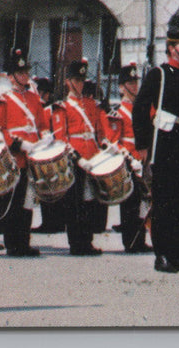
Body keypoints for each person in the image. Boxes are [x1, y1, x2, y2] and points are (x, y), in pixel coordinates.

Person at [133, 25, 179, 273]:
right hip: (164, 143)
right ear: (171, 48)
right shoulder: (159, 75)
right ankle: (162, 254)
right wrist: (142, 144)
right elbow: (140, 109)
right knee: (164, 201)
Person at [49, 58, 111, 256]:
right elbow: (61, 138)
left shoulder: (90, 104)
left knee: (89, 201)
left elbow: (99, 131)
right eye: (76, 80)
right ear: (68, 81)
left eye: (82, 80)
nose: (80, 84)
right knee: (74, 202)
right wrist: (76, 157)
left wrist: (104, 146)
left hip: (91, 157)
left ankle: (88, 240)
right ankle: (76, 243)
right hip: (75, 159)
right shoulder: (62, 107)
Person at [0, 48, 44, 257]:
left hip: (33, 154)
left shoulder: (33, 97)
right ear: (11, 76)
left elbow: (41, 124)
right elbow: (0, 129)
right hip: (15, 155)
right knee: (14, 201)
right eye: (20, 73)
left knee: (28, 200)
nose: (25, 76)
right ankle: (13, 244)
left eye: (26, 72)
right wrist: (19, 145)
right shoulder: (3, 99)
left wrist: (44, 139)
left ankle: (24, 242)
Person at [109, 63, 150, 252]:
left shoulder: (142, 109)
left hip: (143, 160)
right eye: (129, 83)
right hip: (128, 162)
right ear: (121, 87)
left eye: (135, 82)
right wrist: (129, 158)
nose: (134, 86)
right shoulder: (118, 112)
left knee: (144, 202)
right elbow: (113, 142)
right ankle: (131, 241)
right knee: (130, 203)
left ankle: (140, 239)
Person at [32, 76, 66, 235]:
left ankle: (52, 222)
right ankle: (51, 221)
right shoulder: (42, 108)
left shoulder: (48, 109)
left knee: (50, 189)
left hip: (49, 151)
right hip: (44, 150)